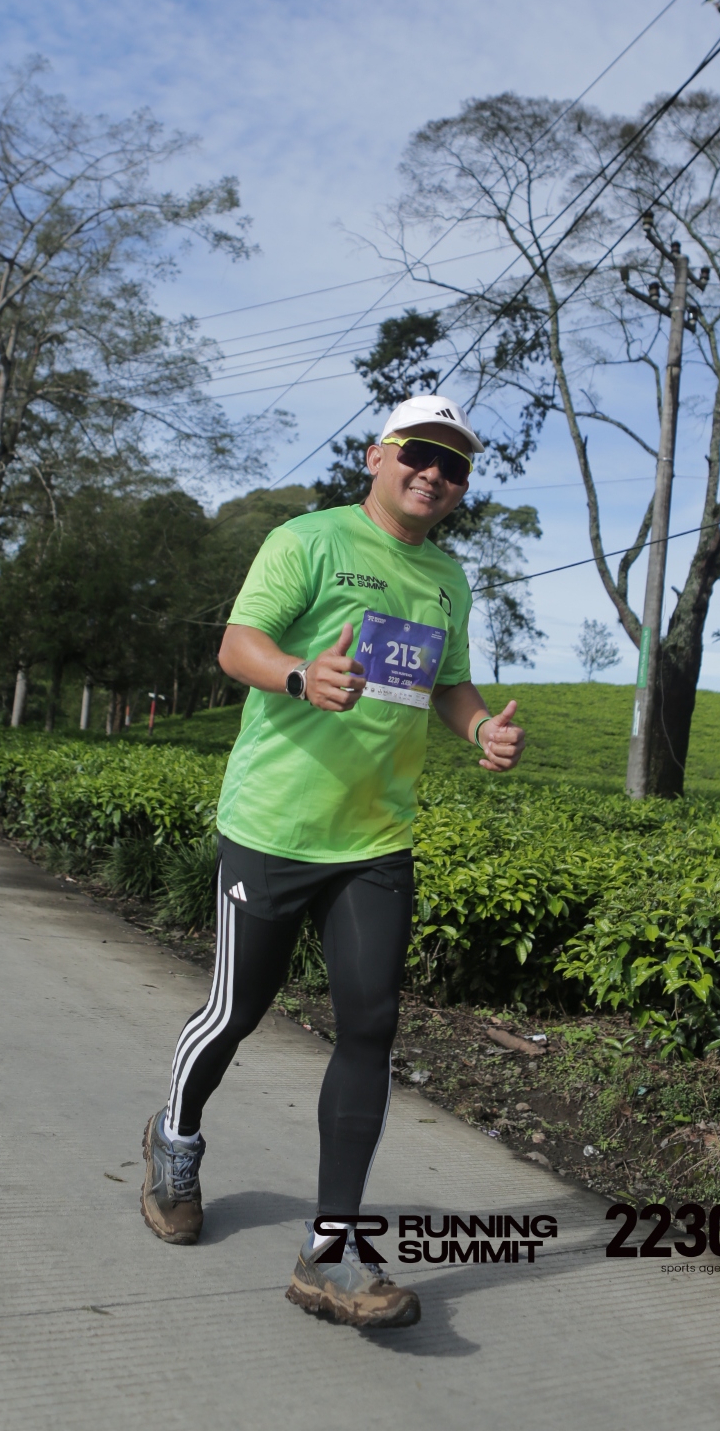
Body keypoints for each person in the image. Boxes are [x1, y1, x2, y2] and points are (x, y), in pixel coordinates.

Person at [140, 394, 526, 1328]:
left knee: (370, 1027)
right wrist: (298, 675)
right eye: (421, 452)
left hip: (376, 839)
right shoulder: (307, 541)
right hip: (273, 826)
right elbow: (237, 645)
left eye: (456, 465)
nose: (436, 473)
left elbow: (445, 681)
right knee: (236, 1011)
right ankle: (174, 1140)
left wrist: (479, 726)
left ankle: (331, 1251)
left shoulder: (448, 578)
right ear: (377, 456)